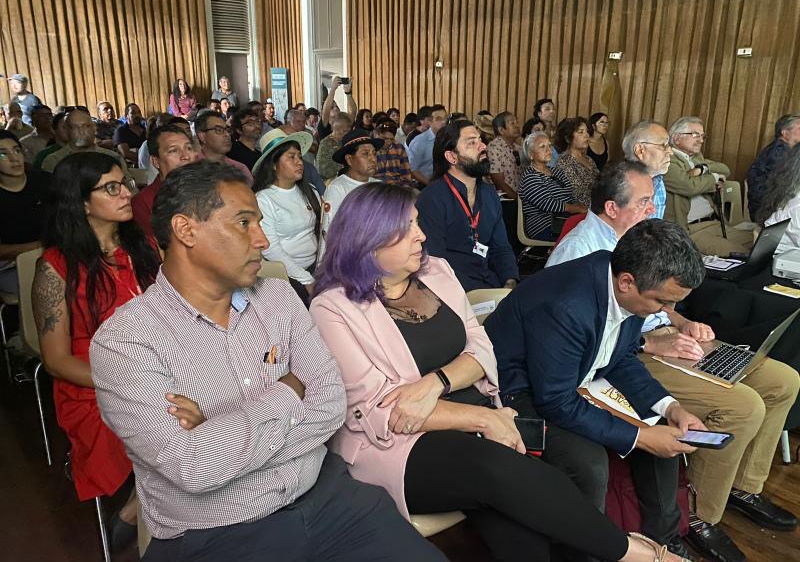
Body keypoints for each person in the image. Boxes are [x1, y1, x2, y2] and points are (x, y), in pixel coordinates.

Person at [311, 182, 691, 562]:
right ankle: (632, 552)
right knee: (497, 469)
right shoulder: (333, 308)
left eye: (418, 223)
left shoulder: (437, 272)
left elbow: (481, 347)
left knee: (524, 532)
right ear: (369, 239)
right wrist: (483, 419)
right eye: (406, 228)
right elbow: (384, 412)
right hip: (401, 445)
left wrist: (436, 383)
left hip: (476, 418)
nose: (421, 235)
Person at [89, 161, 443, 562]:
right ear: (186, 230)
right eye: (244, 223)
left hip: (328, 499)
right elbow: (193, 467)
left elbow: (330, 405)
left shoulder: (278, 297)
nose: (262, 239)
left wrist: (217, 430)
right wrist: (288, 390)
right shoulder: (126, 341)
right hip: (218, 534)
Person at [546, 165, 800, 562]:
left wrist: (682, 323)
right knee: (743, 406)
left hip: (660, 336)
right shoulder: (579, 252)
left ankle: (742, 485)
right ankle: (698, 513)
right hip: (635, 352)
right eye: (644, 201)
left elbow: (659, 303)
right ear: (612, 207)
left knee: (783, 381)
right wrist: (652, 342)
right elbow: (588, 342)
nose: (652, 209)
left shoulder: (636, 241)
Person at [486, 219, 710, 560]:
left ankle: (663, 541)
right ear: (626, 282)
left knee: (665, 429)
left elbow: (622, 359)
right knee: (589, 464)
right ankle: (589, 553)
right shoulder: (566, 305)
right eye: (663, 302)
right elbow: (555, 401)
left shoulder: (630, 283)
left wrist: (672, 408)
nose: (668, 313)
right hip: (517, 393)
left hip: (576, 378)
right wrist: (640, 437)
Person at [32, 152, 162, 549]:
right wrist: (130, 383)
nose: (126, 194)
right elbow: (56, 361)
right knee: (172, 424)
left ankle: (138, 510)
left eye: (125, 184)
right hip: (94, 383)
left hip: (157, 365)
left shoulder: (144, 247)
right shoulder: (56, 267)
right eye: (111, 188)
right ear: (82, 202)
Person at [416, 119, 518, 291]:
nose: (483, 146)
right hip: (453, 289)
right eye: (472, 142)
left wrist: (510, 281)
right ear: (452, 157)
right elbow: (435, 262)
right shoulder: (431, 199)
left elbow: (501, 248)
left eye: (480, 140)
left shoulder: (489, 194)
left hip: (490, 283)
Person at [664, 116, 752, 256]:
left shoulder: (696, 158)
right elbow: (688, 187)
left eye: (702, 136)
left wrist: (702, 168)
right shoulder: (667, 160)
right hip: (692, 230)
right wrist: (713, 178)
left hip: (715, 223)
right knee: (741, 254)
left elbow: (725, 169)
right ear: (676, 138)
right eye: (695, 135)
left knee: (759, 242)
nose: (701, 140)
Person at [252, 129, 321, 306]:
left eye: (299, 156)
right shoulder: (264, 199)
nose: (300, 162)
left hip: (315, 266)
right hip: (284, 274)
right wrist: (306, 279)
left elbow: (320, 231)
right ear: (274, 165)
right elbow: (271, 249)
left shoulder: (309, 191)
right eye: (291, 157)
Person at [0, 130, 49, 294]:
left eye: (16, 150)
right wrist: (40, 246)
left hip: (56, 253)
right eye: (2, 154)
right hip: (11, 264)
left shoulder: (45, 181)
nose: (14, 158)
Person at [131, 125, 197, 237]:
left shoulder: (209, 188)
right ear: (156, 161)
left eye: (189, 148)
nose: (185, 156)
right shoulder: (144, 203)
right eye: (173, 151)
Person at [519, 131, 586, 240]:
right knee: (585, 236)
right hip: (544, 226)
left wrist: (580, 209)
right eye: (542, 147)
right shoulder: (530, 177)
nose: (548, 150)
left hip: (564, 220)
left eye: (549, 145)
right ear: (531, 155)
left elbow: (570, 195)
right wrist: (575, 208)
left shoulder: (556, 172)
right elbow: (547, 203)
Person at [322, 129, 381, 230]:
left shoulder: (378, 185)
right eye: (365, 153)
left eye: (374, 153)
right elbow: (329, 230)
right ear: (349, 159)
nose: (373, 159)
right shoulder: (337, 189)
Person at [748, 113, 800, 219]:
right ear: (785, 133)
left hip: (769, 210)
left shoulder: (783, 150)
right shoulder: (779, 153)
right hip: (768, 214)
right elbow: (784, 188)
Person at [42, 108, 126, 173]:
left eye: (86, 126)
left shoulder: (113, 157)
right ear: (66, 130)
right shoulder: (54, 161)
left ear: (94, 129)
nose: (81, 131)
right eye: (74, 127)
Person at [195, 111, 253, 184]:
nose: (227, 135)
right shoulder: (191, 168)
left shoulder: (239, 169)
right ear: (202, 136)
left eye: (227, 130)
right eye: (219, 130)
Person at [555, 116, 599, 208]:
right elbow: (576, 195)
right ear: (568, 138)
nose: (586, 135)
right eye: (580, 132)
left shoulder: (589, 159)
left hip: (596, 207)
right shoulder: (564, 161)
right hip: (580, 211)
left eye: (587, 131)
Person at [407, 104, 447, 187]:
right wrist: (431, 185)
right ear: (430, 121)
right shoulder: (419, 141)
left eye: (445, 118)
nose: (443, 122)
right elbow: (413, 170)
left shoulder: (448, 138)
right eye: (439, 119)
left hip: (445, 183)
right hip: (424, 184)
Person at [487, 111, 523, 199]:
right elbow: (499, 183)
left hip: (519, 198)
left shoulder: (517, 148)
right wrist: (517, 200)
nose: (517, 126)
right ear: (501, 130)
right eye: (512, 123)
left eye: (517, 122)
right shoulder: (494, 148)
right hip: (504, 200)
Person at [374, 118, 415, 188]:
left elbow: (406, 175)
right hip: (376, 188)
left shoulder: (399, 148)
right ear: (375, 134)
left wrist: (406, 188)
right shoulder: (368, 149)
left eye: (391, 139)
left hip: (397, 187)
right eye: (384, 138)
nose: (388, 142)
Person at [316, 112, 351, 180]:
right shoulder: (325, 143)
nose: (347, 133)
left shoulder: (346, 140)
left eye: (348, 131)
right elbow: (321, 169)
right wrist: (343, 167)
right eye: (345, 131)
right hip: (330, 180)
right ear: (337, 129)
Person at [533, 98, 558, 166]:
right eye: (547, 109)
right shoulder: (535, 130)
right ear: (539, 113)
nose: (552, 111)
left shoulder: (556, 130)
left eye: (553, 109)